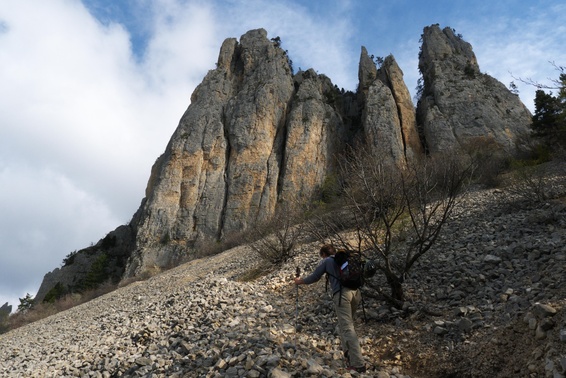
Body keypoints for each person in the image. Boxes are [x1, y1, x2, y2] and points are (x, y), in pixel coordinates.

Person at [294, 244, 366, 373]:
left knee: (347, 328)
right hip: (356, 293)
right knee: (347, 326)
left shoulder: (327, 261)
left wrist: (301, 281)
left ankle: (358, 364)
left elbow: (315, 277)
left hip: (341, 295)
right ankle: (349, 356)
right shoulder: (345, 259)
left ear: (323, 254)